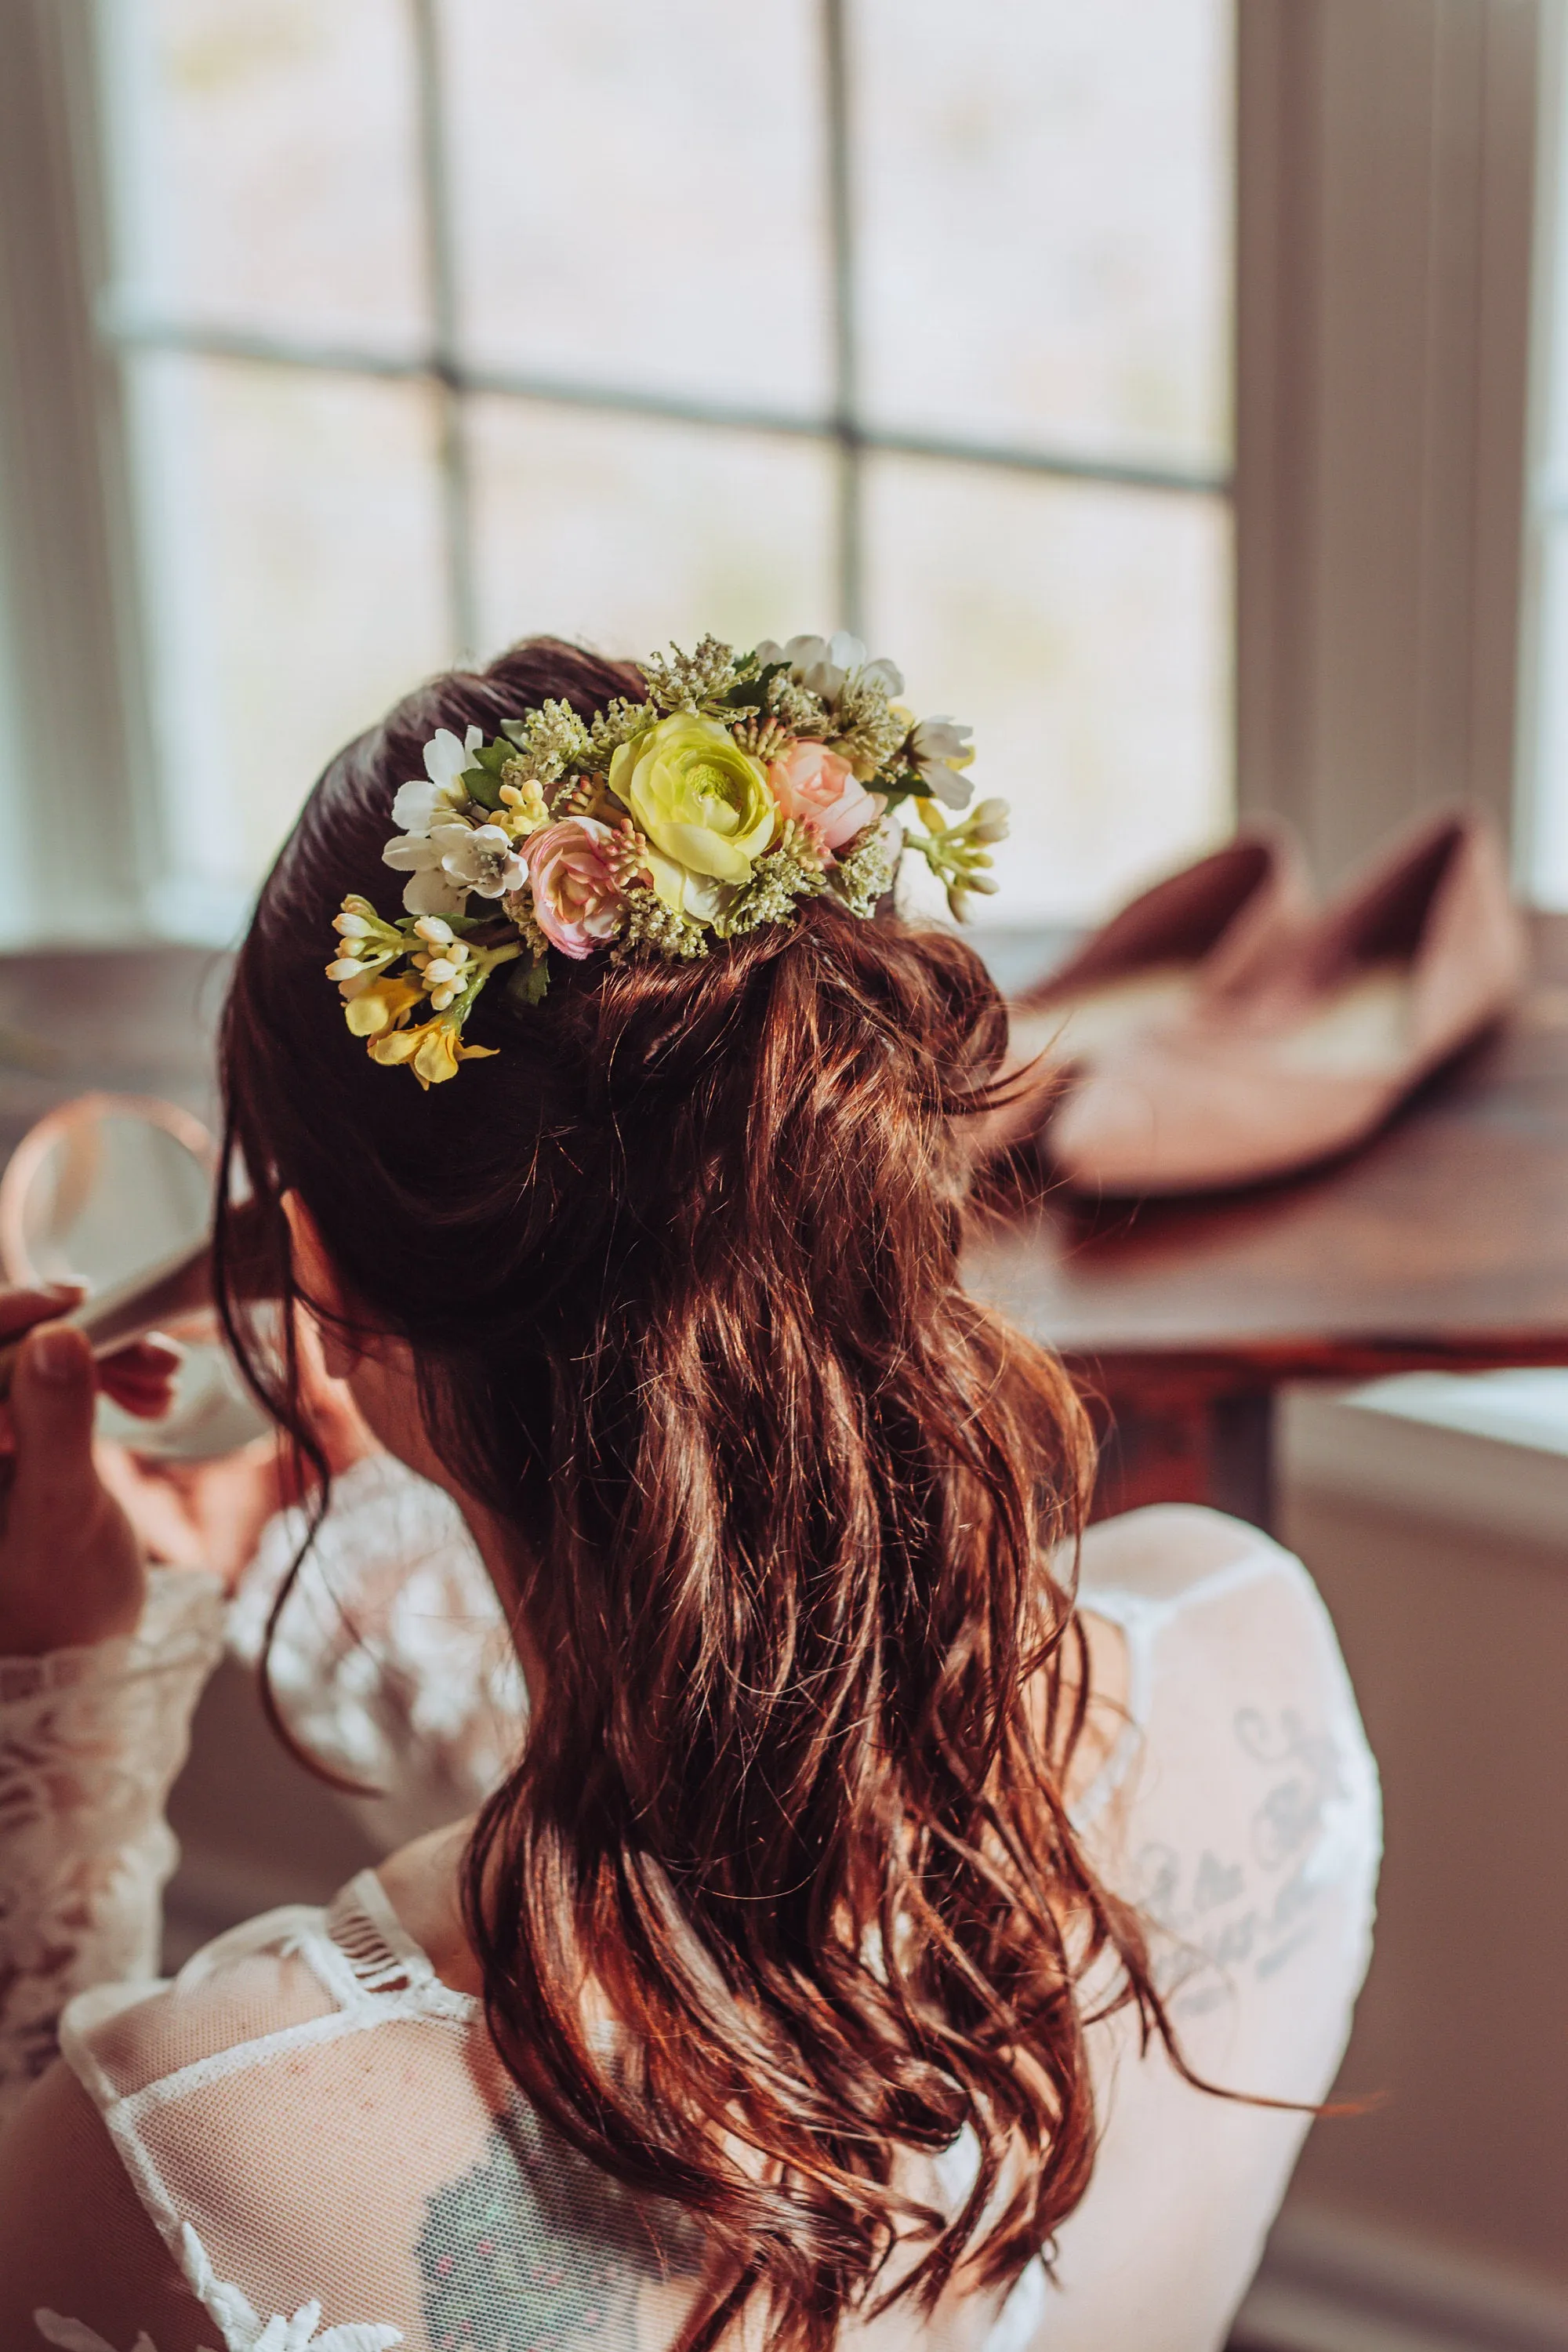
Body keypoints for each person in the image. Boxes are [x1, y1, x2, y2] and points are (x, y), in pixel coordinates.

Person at [0, 637, 1379, 2352]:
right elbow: (731, 1760)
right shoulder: (1249, 1648)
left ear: (318, 1289)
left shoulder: (203, 2152)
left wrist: (58, 1715)